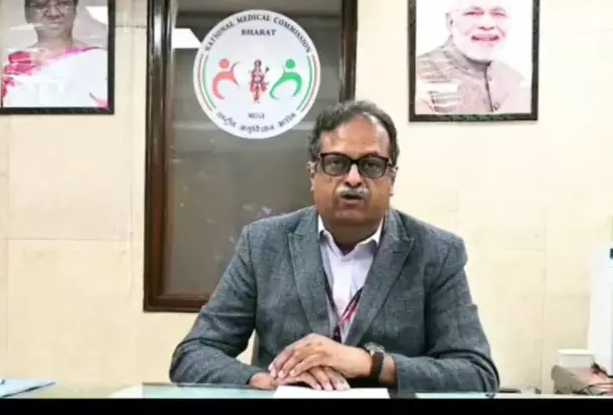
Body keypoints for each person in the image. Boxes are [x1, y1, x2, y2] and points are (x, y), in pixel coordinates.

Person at [169, 100, 499, 394]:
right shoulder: (263, 244)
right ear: (313, 174)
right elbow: (193, 355)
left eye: (371, 164)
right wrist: (262, 382)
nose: (353, 179)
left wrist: (370, 364)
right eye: (337, 163)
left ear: (392, 179)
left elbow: (477, 373)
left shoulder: (436, 252)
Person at [414, 0, 531, 115]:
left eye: (498, 14)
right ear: (450, 22)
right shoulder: (417, 74)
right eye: (473, 13)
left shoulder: (517, 82)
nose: (487, 24)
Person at [0, 0, 108, 109]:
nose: (53, 13)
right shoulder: (13, 67)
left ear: (75, 10)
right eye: (41, 5)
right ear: (27, 13)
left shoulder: (98, 61)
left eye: (62, 3)